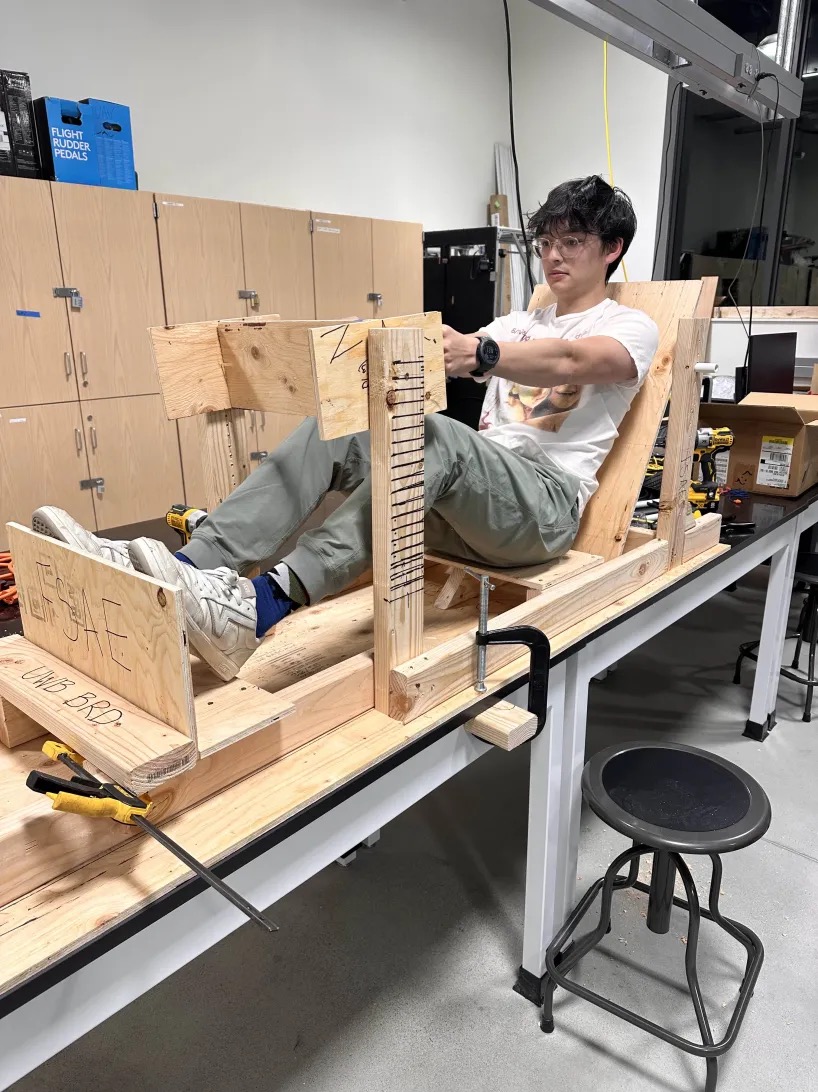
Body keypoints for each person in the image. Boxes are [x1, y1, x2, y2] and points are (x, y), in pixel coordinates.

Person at [32, 175, 658, 682]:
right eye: (546, 240)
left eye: (573, 241)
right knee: (346, 425)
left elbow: (579, 362)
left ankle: (260, 607)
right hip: (472, 505)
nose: (553, 254)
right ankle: (185, 573)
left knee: (431, 438)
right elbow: (446, 355)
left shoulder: (629, 327)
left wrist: (481, 354)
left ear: (612, 250)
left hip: (539, 511)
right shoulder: (513, 322)